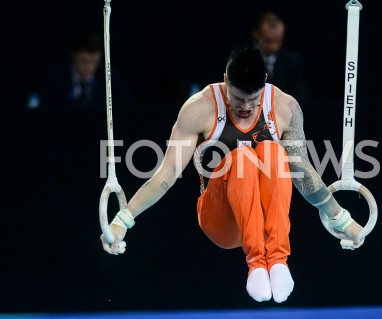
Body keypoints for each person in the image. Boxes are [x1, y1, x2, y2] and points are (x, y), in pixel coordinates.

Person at [100, 45, 364, 303]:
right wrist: (122, 221)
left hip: (263, 218)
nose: (246, 107)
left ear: (264, 81)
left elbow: (303, 174)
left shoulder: (284, 107)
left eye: (254, 98)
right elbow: (167, 175)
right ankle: (257, 264)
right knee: (242, 157)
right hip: (221, 219)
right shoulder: (199, 108)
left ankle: (277, 262)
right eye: (238, 98)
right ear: (225, 80)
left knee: (273, 152)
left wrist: (341, 218)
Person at [33, 32, 135, 109]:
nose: (89, 67)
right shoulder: (56, 75)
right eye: (84, 61)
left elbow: (128, 105)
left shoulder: (108, 76)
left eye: (94, 62)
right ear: (74, 55)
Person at [251, 11, 312, 107]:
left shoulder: (292, 62)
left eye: (277, 41)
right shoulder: (243, 60)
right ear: (256, 34)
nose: (273, 47)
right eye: (268, 41)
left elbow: (302, 99)